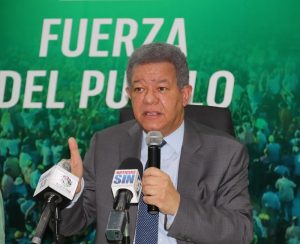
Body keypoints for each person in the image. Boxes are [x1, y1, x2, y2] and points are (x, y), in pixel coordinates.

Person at [59, 42, 253, 243]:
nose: (149, 99)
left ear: (185, 94)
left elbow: (240, 233)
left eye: (161, 88)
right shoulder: (105, 145)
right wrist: (71, 194)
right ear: (129, 95)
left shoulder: (226, 154)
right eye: (140, 89)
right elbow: (69, 226)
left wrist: (177, 206)